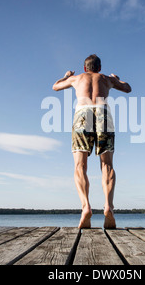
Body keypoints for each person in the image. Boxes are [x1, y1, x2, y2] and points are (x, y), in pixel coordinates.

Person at [52, 54, 132, 229]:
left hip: (82, 113)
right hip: (103, 113)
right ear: (100, 68)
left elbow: (55, 86)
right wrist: (116, 79)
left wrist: (66, 76)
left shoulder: (77, 78)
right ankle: (109, 207)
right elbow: (128, 88)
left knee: (80, 165)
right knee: (107, 165)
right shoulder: (106, 79)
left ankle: (85, 207)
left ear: (84, 68)